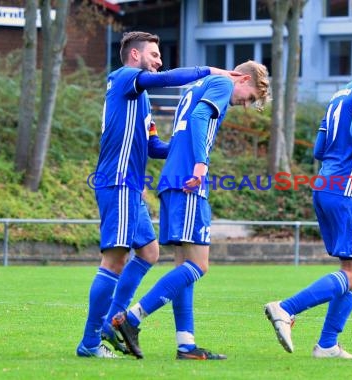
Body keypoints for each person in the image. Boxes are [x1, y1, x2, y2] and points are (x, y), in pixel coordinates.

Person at [76, 31, 237, 358]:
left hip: (131, 188)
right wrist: (210, 71)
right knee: (115, 260)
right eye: (154, 54)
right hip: (117, 182)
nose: (159, 61)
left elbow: (153, 146)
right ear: (135, 56)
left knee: (149, 253)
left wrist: (187, 148)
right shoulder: (124, 78)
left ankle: (112, 323)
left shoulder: (141, 99)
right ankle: (91, 343)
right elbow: (167, 78)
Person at [111, 60, 270, 360]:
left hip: (173, 180)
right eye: (250, 97)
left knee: (184, 269)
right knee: (198, 266)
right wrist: (201, 163)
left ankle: (186, 345)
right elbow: (199, 118)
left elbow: (182, 131)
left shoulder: (196, 88)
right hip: (188, 182)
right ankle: (131, 318)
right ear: (243, 78)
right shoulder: (223, 83)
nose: (245, 104)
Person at [264, 36, 352, 359]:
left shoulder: (340, 94)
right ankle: (286, 308)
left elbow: (320, 148)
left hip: (326, 183)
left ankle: (327, 345)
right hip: (348, 189)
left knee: (351, 273)